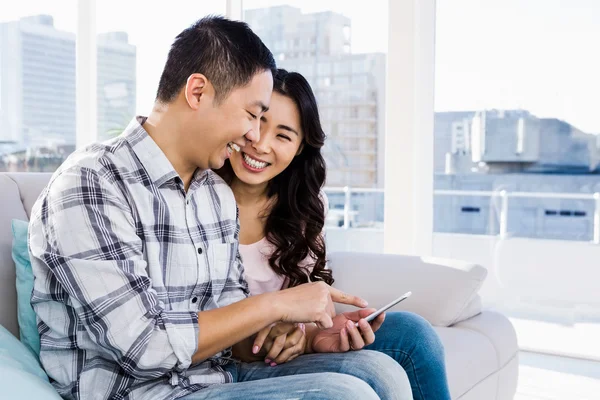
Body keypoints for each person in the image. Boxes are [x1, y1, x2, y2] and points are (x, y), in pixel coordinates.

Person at [28, 16, 411, 400]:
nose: (253, 135)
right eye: (252, 114)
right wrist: (276, 304)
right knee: (344, 395)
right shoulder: (92, 183)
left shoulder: (214, 194)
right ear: (197, 92)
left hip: (217, 378)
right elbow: (143, 347)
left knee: (378, 370)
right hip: (139, 393)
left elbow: (233, 341)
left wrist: (295, 336)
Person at [217, 68, 453, 400]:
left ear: (300, 148)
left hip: (280, 354)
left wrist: (314, 334)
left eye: (283, 135)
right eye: (256, 122)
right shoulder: (202, 197)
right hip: (226, 358)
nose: (260, 143)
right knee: (371, 378)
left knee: (414, 335)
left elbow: (303, 303)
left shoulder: (305, 206)